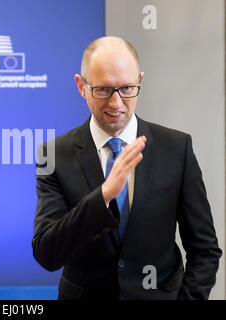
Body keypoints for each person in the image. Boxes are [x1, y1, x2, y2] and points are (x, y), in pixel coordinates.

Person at [32, 36, 222, 300]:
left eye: (127, 88)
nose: (116, 103)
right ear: (81, 86)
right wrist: (103, 196)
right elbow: (47, 253)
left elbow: (205, 250)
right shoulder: (52, 155)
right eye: (103, 90)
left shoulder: (177, 148)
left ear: (140, 81)